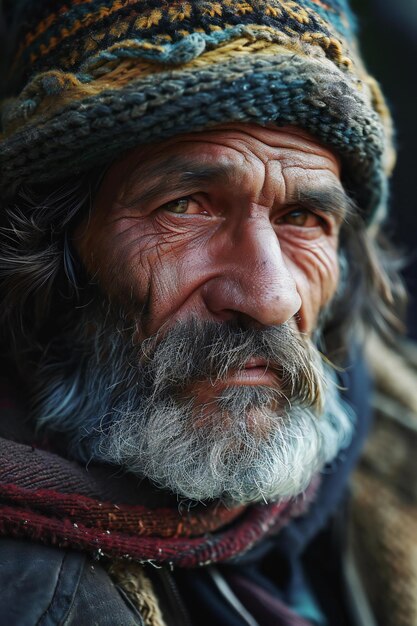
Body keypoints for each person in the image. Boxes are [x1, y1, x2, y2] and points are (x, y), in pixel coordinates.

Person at [0, 1, 402, 625]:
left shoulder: (395, 464)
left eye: (303, 218)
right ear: (48, 253)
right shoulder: (28, 595)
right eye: (185, 206)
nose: (272, 298)